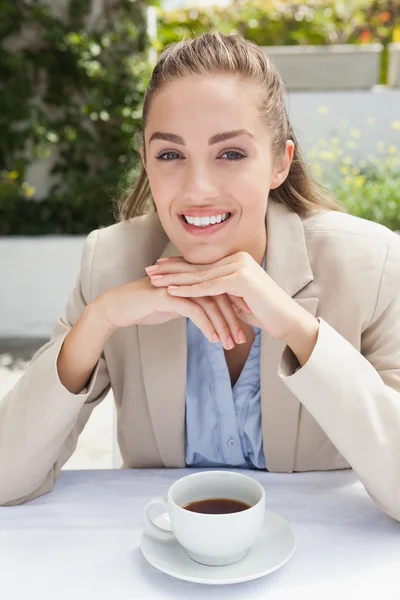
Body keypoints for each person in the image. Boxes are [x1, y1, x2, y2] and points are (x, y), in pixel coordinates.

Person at [1, 32, 400, 519]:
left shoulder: (371, 263)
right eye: (171, 155)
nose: (198, 188)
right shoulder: (109, 262)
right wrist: (99, 319)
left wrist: (297, 328)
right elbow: (7, 479)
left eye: (230, 154)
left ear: (279, 163)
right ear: (147, 162)